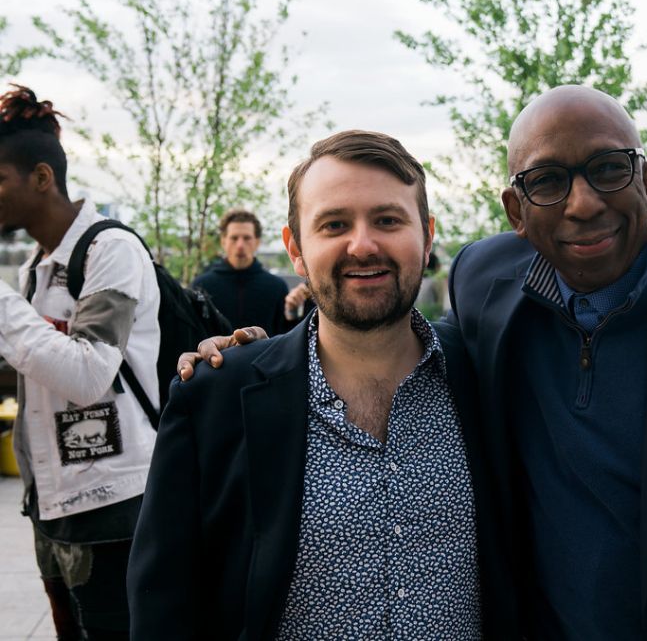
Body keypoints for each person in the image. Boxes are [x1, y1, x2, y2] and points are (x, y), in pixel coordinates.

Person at [184, 86, 647, 639]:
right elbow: (396, 338)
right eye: (548, 181)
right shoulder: (487, 285)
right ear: (516, 209)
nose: (582, 204)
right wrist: (256, 359)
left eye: (609, 169)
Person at [128, 130, 496, 639]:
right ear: (295, 249)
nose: (362, 244)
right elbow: (163, 603)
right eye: (334, 224)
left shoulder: (490, 377)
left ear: (427, 236)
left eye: (388, 220)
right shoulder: (216, 398)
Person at [0, 85, 159, 639]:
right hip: (51, 501)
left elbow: (90, 374)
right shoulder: (37, 270)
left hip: (116, 502)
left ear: (41, 177)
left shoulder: (110, 249)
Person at [192, 208, 291, 335]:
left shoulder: (277, 287)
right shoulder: (202, 286)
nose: (240, 245)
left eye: (247, 238)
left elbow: (285, 337)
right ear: (223, 241)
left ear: (257, 242)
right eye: (234, 238)